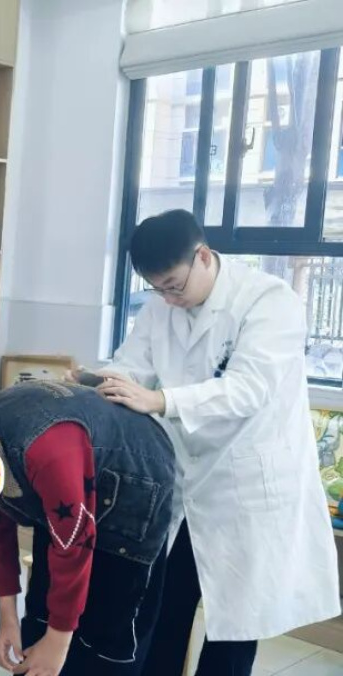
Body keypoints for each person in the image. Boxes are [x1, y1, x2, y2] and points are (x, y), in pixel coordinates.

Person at [90, 209, 340, 675]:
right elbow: (133, 364)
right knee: (164, 607)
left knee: (234, 628)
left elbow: (248, 388)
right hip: (185, 483)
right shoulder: (162, 307)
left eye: (174, 286)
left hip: (245, 488)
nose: (168, 298)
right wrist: (99, 381)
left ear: (203, 256)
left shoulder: (268, 301)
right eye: (157, 289)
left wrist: (161, 399)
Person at [0, 381, 175, 676]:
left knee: (104, 640)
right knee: (41, 617)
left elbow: (73, 545)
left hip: (136, 483)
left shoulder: (46, 448)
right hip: (73, 486)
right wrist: (8, 617)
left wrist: (58, 642)